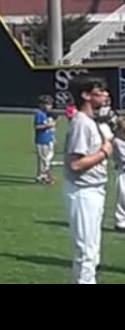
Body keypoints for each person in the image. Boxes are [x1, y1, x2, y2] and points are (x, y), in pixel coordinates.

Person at [61, 75, 112, 284]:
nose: (106, 95)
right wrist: (104, 153)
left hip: (95, 189)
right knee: (86, 251)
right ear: (86, 95)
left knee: (93, 250)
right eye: (100, 92)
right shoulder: (81, 123)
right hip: (83, 192)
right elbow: (75, 163)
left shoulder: (92, 122)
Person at [35, 95, 57, 185]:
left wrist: (53, 137)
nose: (49, 107)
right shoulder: (39, 114)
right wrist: (47, 125)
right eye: (47, 104)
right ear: (41, 105)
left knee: (46, 159)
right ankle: (42, 176)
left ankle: (45, 174)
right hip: (41, 141)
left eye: (50, 104)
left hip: (48, 140)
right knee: (43, 159)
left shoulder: (46, 115)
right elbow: (37, 126)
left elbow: (50, 130)